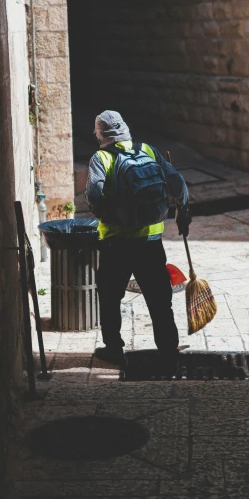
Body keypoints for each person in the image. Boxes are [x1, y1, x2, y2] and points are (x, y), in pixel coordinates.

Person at [86, 110, 191, 369]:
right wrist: (182, 212)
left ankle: (113, 348)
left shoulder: (101, 158)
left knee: (110, 297)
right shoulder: (148, 150)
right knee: (159, 297)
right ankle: (168, 348)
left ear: (101, 134)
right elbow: (177, 183)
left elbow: (94, 197)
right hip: (151, 242)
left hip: (116, 243)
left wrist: (114, 215)